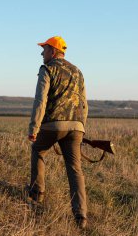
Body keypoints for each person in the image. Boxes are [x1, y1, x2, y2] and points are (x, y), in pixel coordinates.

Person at [27, 36, 88, 229]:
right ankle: (81, 215)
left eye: (44, 49)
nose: (41, 53)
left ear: (53, 52)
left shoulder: (47, 68)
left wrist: (34, 128)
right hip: (76, 126)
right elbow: (84, 104)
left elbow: (40, 100)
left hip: (53, 124)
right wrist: (81, 127)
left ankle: (37, 195)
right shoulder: (77, 71)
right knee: (75, 168)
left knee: (38, 150)